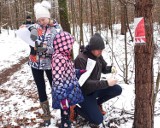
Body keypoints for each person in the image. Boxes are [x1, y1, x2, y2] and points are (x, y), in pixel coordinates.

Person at [20, 1, 62, 126]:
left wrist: (43, 48)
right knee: (41, 88)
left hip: (50, 64)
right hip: (35, 64)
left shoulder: (57, 29)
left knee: (55, 87)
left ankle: (62, 113)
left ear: (48, 16)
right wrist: (24, 29)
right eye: (39, 20)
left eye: (43, 19)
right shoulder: (35, 27)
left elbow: (58, 47)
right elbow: (30, 37)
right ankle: (46, 115)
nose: (41, 22)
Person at [74, 33, 122, 128]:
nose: (101, 52)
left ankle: (97, 104)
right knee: (98, 120)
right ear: (92, 48)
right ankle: (75, 109)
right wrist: (106, 83)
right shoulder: (81, 59)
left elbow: (104, 68)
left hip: (95, 89)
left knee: (117, 89)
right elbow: (84, 84)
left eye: (102, 50)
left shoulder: (98, 56)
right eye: (99, 50)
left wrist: (110, 69)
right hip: (84, 93)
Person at [51, 31, 84, 128]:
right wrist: (62, 98)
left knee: (67, 113)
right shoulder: (58, 58)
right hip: (64, 94)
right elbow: (57, 79)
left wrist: (79, 71)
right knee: (65, 116)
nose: (70, 48)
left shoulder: (64, 56)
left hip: (67, 92)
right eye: (69, 45)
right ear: (63, 45)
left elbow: (68, 71)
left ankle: (66, 125)